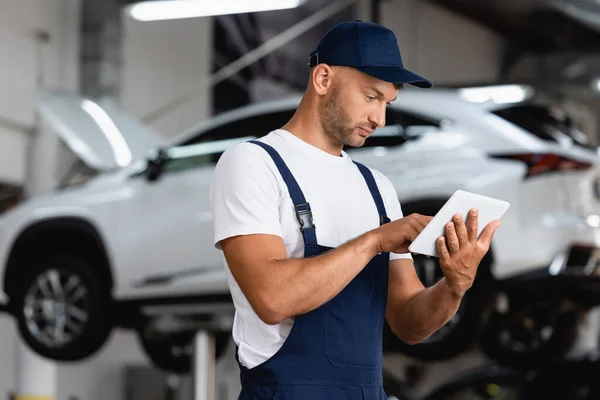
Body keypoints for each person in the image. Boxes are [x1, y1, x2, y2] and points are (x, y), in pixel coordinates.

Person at [210, 20, 501, 400]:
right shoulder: (253, 163)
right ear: (323, 79)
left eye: (387, 103)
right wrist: (374, 241)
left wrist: (454, 286)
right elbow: (272, 299)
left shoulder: (377, 188)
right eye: (370, 97)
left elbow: (409, 323)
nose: (379, 119)